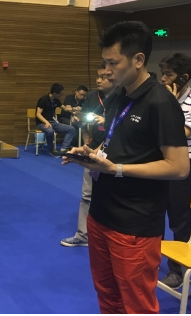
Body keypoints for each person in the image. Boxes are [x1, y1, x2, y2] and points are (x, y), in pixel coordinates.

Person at [63, 21, 189, 313]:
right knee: (107, 295)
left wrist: (117, 169)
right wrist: (91, 154)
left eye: (113, 63)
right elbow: (116, 145)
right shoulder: (117, 96)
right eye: (104, 62)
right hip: (101, 214)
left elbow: (179, 167)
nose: (106, 70)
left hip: (135, 224)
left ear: (138, 60)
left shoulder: (161, 103)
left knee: (137, 305)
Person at [158, 53, 191, 289]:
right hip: (156, 166)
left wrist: (170, 105)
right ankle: (149, 259)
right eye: (162, 73)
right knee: (152, 216)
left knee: (179, 221)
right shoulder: (157, 97)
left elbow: (177, 136)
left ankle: (176, 271)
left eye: (168, 74)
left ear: (183, 78)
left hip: (180, 169)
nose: (162, 79)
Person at [60, 64, 114, 248]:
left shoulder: (122, 97)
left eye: (103, 77)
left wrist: (106, 121)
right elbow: (85, 123)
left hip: (115, 154)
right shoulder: (92, 97)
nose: (99, 80)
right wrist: (86, 144)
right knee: (87, 194)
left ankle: (108, 237)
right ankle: (83, 235)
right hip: (93, 150)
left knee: (111, 197)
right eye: (98, 76)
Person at [35, 83, 76, 157]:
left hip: (52, 122)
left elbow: (65, 108)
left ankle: (64, 148)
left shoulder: (56, 100)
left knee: (71, 129)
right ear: (54, 93)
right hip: (41, 123)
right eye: (60, 94)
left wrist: (74, 109)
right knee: (50, 131)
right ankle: (51, 150)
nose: (61, 95)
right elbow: (38, 114)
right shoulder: (43, 99)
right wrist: (46, 122)